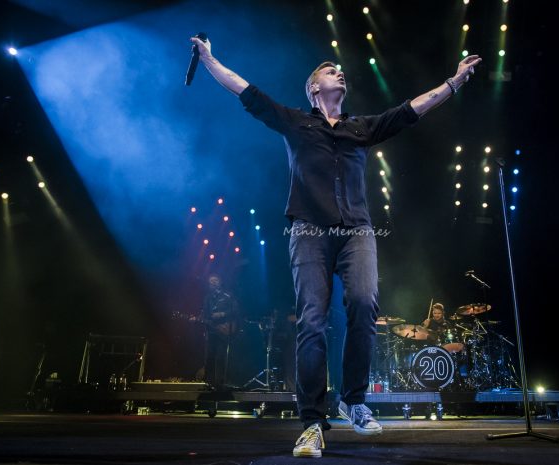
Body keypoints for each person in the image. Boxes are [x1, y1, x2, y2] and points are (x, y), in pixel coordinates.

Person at [190, 34, 481, 458]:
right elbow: (245, 90)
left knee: (363, 304)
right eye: (330, 71)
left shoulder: (360, 127)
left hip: (356, 231)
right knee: (312, 319)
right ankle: (311, 422)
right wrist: (209, 60)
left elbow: (410, 110)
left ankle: (353, 401)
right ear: (313, 88)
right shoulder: (295, 122)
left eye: (339, 70)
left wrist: (453, 83)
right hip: (309, 230)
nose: (339, 72)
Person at [200, 274, 239, 388]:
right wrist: (198, 319)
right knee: (209, 357)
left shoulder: (228, 295)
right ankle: (209, 383)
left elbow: (236, 310)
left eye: (215, 280)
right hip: (211, 331)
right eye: (211, 281)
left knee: (221, 356)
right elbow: (205, 315)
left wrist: (222, 314)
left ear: (220, 282)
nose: (213, 282)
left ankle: (221, 383)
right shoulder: (207, 298)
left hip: (224, 330)